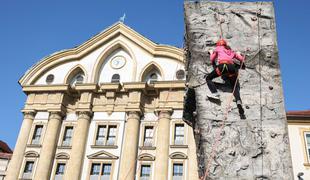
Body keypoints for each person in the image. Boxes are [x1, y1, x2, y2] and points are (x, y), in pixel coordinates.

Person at [205, 39, 245, 117]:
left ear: (218, 45)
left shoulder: (218, 49)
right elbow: (242, 60)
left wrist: (211, 53)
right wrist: (239, 54)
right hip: (232, 68)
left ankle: (215, 94)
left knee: (208, 78)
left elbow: (212, 59)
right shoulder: (231, 51)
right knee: (235, 86)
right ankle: (238, 101)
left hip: (223, 66)